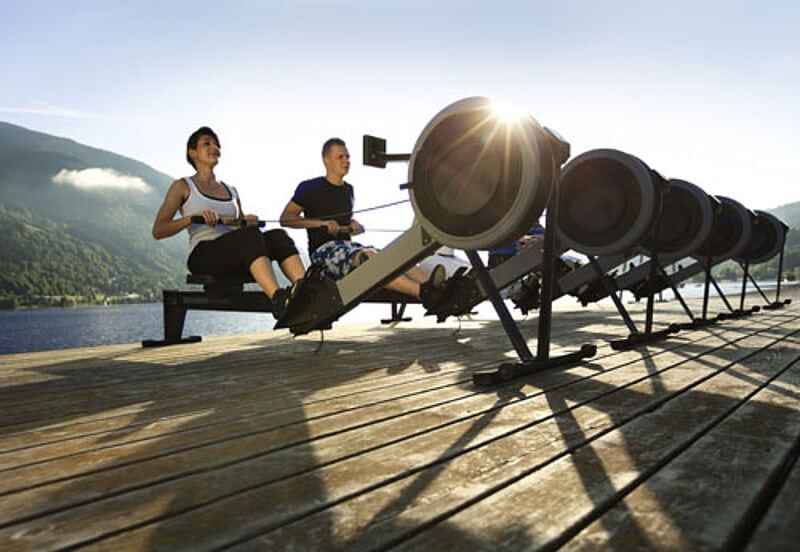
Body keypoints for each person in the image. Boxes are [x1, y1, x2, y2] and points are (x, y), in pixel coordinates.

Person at [152, 126, 304, 318]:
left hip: (234, 255)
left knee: (277, 236)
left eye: (216, 144)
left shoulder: (231, 190)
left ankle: (306, 292)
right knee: (248, 236)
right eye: (207, 143)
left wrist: (245, 221)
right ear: (192, 153)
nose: (214, 147)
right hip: (203, 255)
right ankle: (278, 299)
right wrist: (191, 218)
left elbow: (240, 228)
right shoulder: (182, 186)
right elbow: (158, 230)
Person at [279, 137, 445, 309]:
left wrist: (353, 225)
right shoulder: (309, 187)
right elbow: (286, 218)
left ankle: (438, 287)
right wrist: (321, 224)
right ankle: (422, 292)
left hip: (348, 250)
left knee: (391, 256)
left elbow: (344, 221)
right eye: (340, 157)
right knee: (369, 257)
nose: (346, 161)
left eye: (348, 157)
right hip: (323, 255)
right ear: (326, 161)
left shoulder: (348, 190)